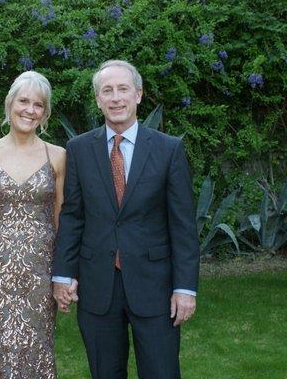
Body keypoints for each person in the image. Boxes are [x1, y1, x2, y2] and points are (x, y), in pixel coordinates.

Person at [52, 60, 200, 379]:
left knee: (161, 372)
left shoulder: (168, 150)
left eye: (123, 89)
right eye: (107, 91)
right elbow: (73, 216)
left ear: (138, 95)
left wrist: (185, 287)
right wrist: (63, 274)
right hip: (97, 287)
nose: (116, 98)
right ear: (98, 99)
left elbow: (183, 226)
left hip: (155, 287)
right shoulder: (78, 149)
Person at [0, 71, 68, 378]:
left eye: (38, 105)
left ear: (45, 113)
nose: (29, 110)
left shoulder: (58, 156)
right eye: (24, 101)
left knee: (38, 348)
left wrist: (63, 275)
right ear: (10, 104)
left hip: (41, 272)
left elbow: (62, 220)